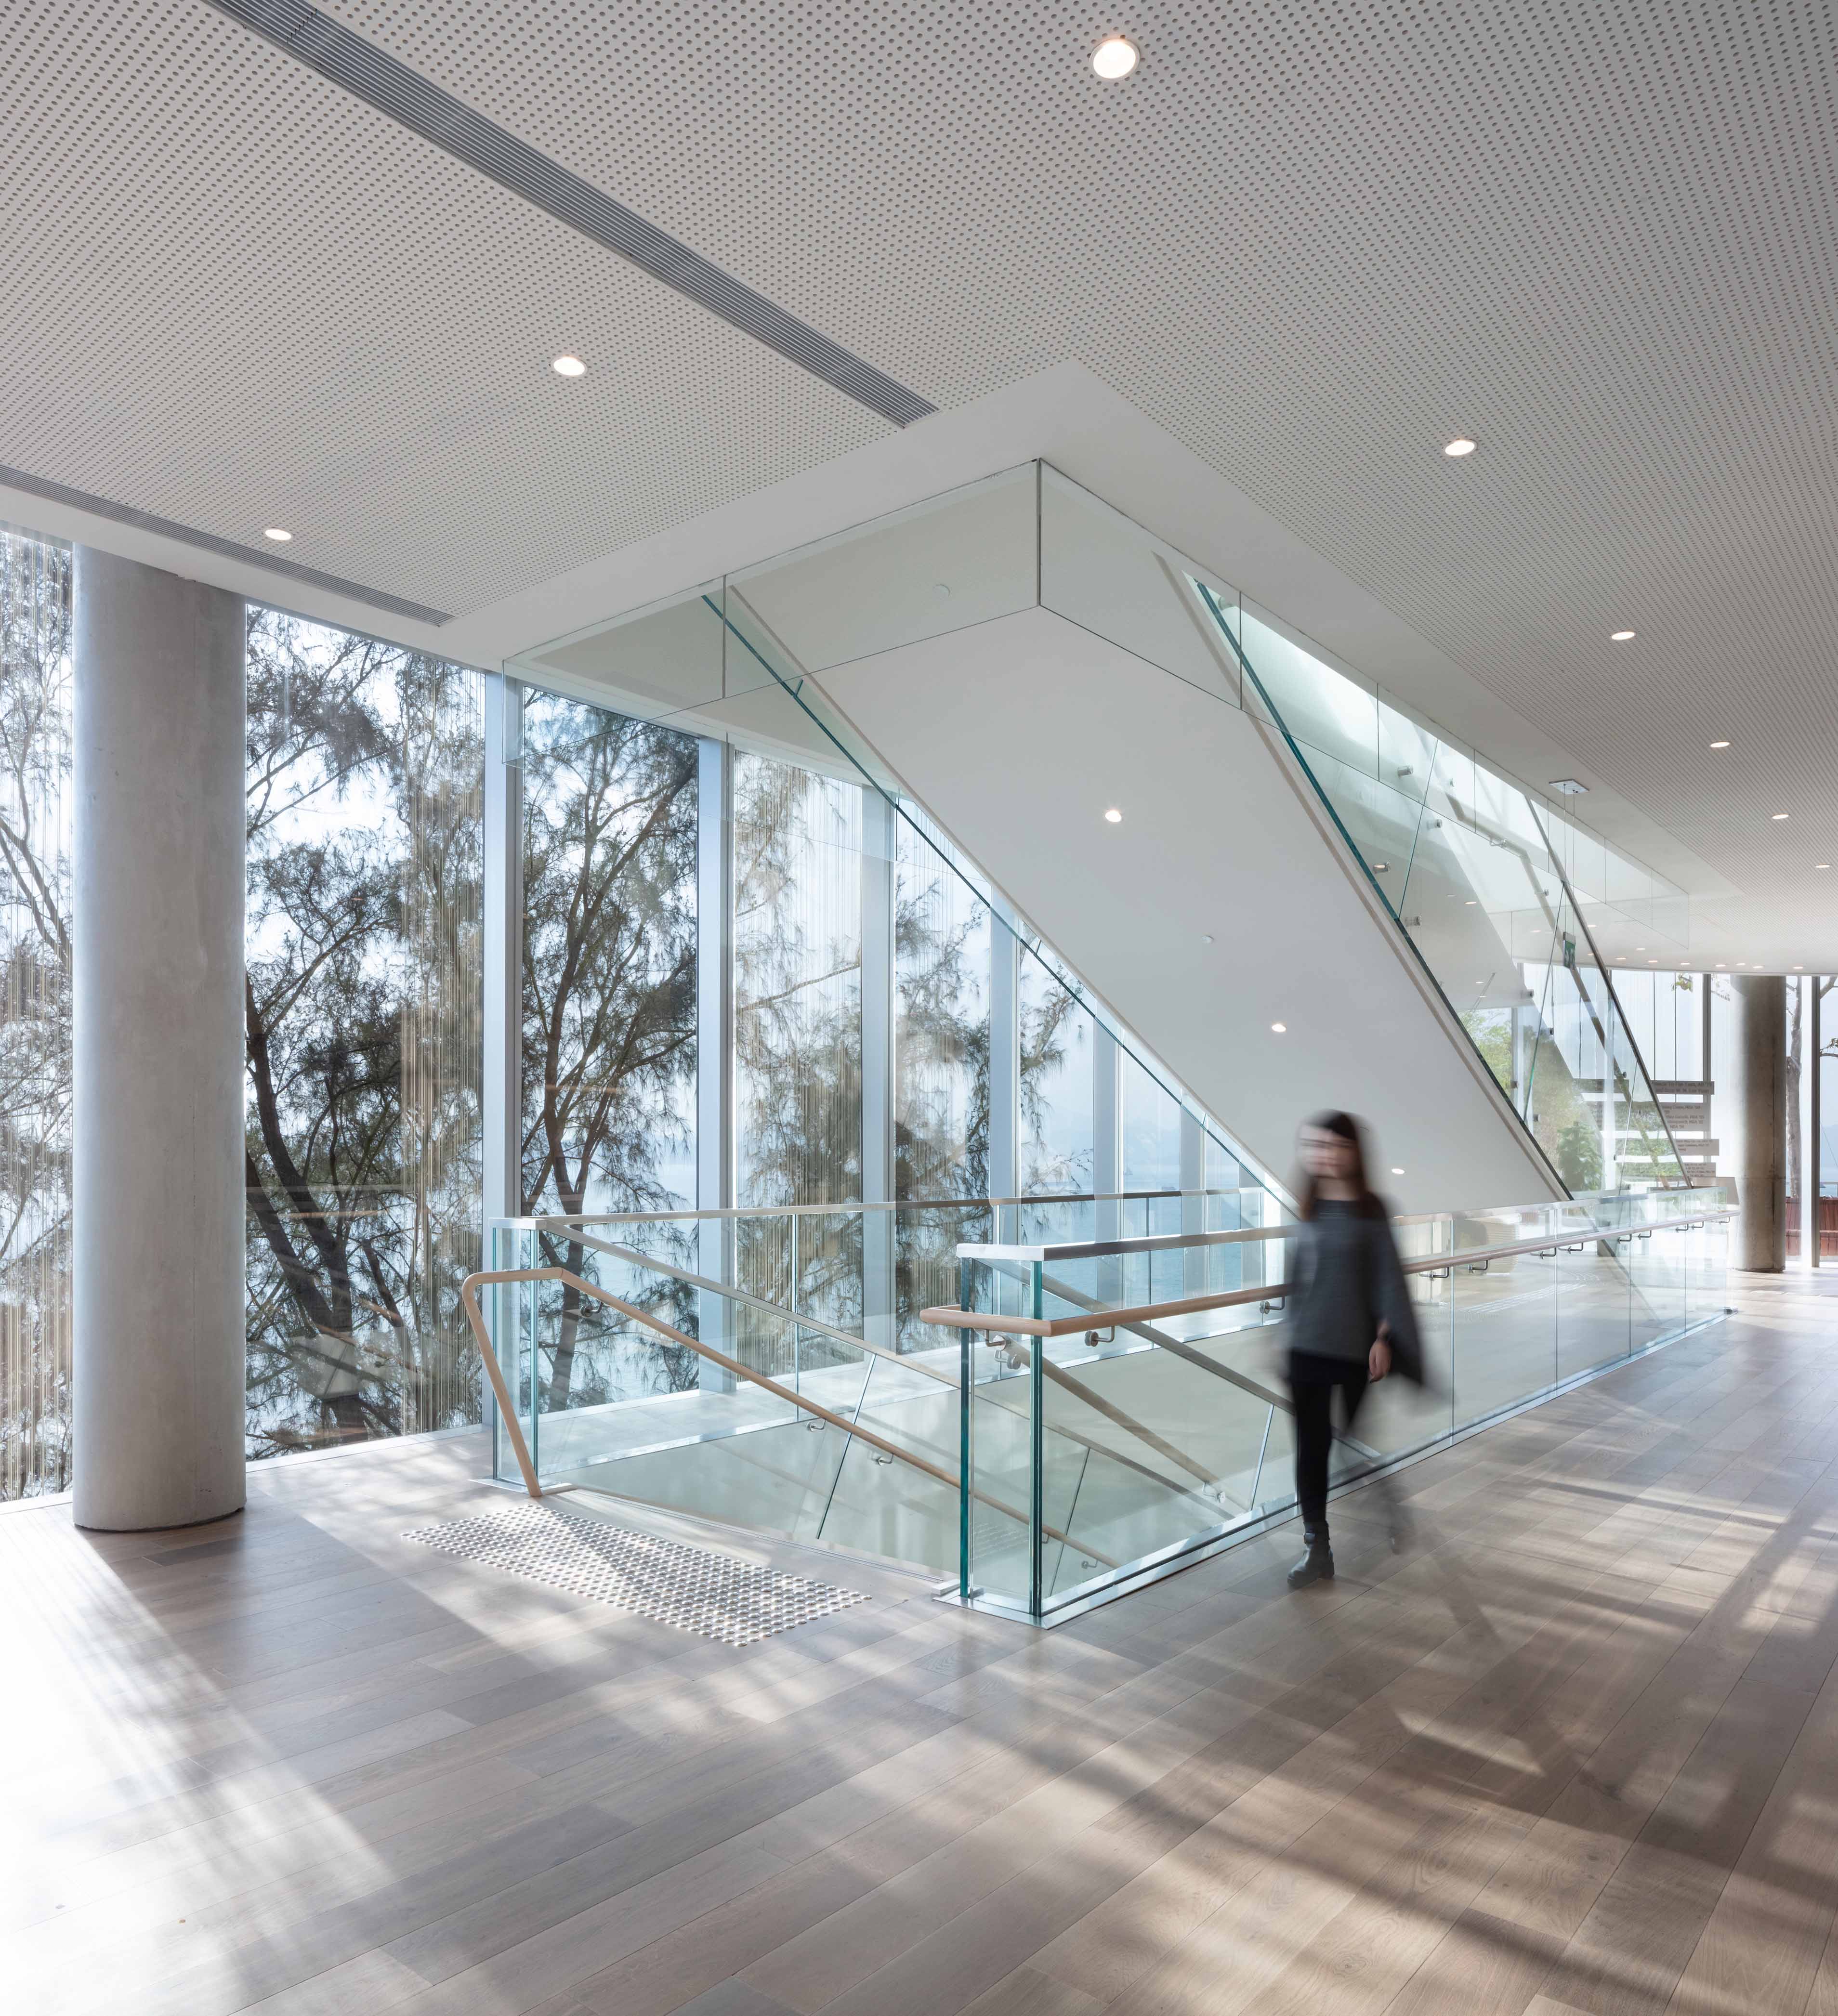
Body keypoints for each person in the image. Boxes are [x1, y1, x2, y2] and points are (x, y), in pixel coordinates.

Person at [1283, 1111, 1422, 1589]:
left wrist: (1384, 1338)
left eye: (1335, 1146)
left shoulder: (1371, 1209)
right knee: (1311, 1451)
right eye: (1316, 1145)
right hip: (1304, 1348)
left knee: (1350, 1443)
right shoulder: (1309, 1204)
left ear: (1353, 1152)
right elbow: (1299, 1277)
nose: (1325, 1154)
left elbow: (1388, 1278)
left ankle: (1390, 1508)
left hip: (1353, 1349)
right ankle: (1317, 1549)